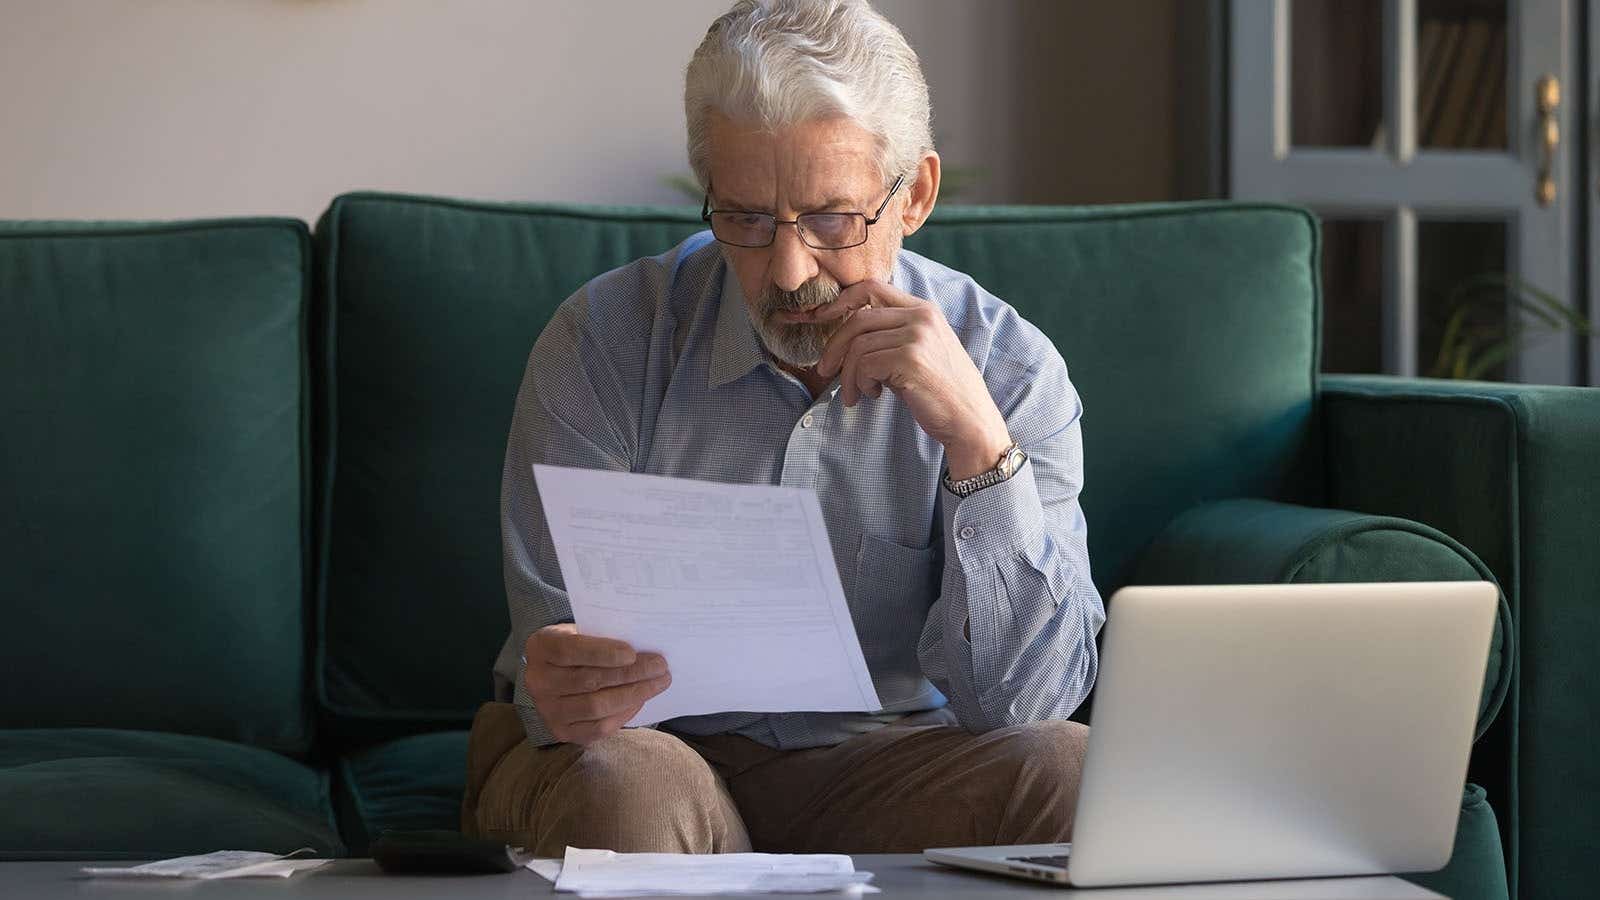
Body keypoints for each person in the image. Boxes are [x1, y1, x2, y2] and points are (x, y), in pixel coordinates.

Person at [462, 0, 1104, 856]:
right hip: (628, 758)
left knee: (1067, 769)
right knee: (636, 785)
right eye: (748, 220)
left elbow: (1026, 706)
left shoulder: (1010, 369)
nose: (790, 270)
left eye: (832, 219)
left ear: (913, 194)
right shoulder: (606, 343)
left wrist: (981, 450)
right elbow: (560, 673)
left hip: (880, 766)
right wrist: (565, 683)